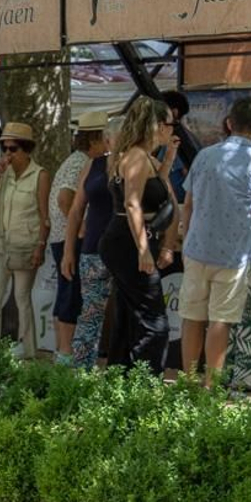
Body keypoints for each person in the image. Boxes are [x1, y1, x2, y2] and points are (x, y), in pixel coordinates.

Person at [178, 97, 251, 388]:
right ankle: (211, 386)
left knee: (192, 316)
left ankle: (187, 381)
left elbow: (189, 202)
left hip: (196, 247)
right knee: (221, 319)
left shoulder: (204, 156)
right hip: (235, 253)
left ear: (229, 123)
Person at [100, 97, 179, 375]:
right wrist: (144, 250)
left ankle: (121, 373)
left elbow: (153, 191)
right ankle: (145, 380)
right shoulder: (135, 156)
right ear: (157, 126)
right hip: (128, 241)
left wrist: (168, 161)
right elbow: (132, 202)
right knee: (153, 318)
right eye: (170, 124)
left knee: (129, 311)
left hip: (129, 239)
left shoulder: (142, 157)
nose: (173, 129)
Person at [0, 121, 50, 358]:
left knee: (21, 297)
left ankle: (27, 346)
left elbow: (44, 214)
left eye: (13, 149)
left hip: (25, 245)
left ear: (26, 149)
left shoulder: (39, 175)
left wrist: (40, 245)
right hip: (0, 244)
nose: (8, 154)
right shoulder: (3, 173)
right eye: (5, 149)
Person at [49, 112, 107, 361]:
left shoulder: (74, 160)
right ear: (95, 139)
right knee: (72, 294)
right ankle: (65, 350)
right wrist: (82, 227)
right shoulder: (81, 163)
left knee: (66, 292)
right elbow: (65, 199)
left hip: (61, 237)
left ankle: (61, 349)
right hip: (68, 239)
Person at [60, 116, 116, 368]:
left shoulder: (137, 164)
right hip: (93, 248)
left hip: (123, 251)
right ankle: (80, 372)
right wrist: (68, 251)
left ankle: (122, 372)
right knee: (89, 313)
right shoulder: (92, 165)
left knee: (123, 313)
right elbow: (74, 209)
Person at [160, 90, 203, 201]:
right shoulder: (190, 137)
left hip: (177, 203)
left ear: (174, 113)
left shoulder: (174, 139)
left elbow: (186, 172)